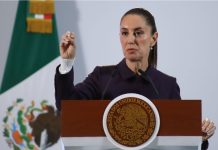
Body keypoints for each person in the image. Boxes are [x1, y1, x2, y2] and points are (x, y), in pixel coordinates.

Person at [55, 8, 216, 150]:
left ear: (154, 38)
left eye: (138, 33)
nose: (130, 39)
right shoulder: (101, 77)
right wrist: (66, 63)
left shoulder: (167, 85)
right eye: (125, 33)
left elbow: (179, 138)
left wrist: (199, 138)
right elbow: (67, 107)